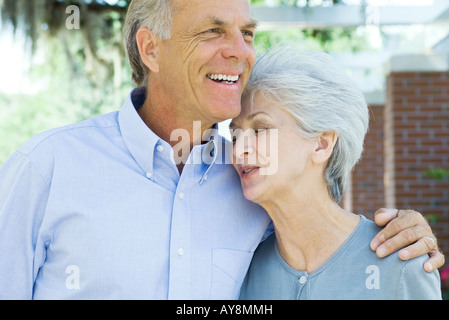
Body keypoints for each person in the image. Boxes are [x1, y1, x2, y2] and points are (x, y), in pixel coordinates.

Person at [0, 0, 443, 299]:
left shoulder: (249, 190)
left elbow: (324, 235)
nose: (239, 51)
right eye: (213, 31)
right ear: (151, 48)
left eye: (247, 33)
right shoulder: (46, 168)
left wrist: (406, 235)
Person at [232, 46, 441, 300]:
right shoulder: (240, 269)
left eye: (260, 129)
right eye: (234, 134)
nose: (238, 150)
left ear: (322, 144)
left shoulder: (400, 263)